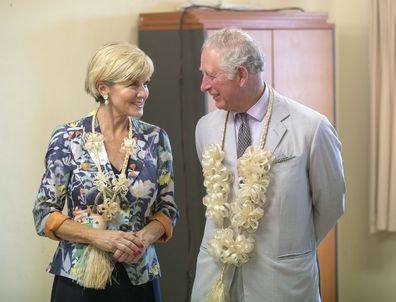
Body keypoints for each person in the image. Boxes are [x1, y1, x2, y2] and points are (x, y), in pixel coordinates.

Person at [191, 28, 345, 302]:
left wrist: (291, 247)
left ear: (241, 75)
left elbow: (331, 204)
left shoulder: (311, 128)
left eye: (211, 75)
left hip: (282, 280)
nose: (203, 85)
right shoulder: (205, 128)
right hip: (216, 278)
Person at [33, 42, 178, 302]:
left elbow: (168, 209)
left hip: (140, 280)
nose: (143, 92)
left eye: (146, 83)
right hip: (79, 280)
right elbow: (44, 214)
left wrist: (144, 238)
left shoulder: (156, 138)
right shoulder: (68, 138)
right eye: (133, 84)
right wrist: (98, 238)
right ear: (103, 88)